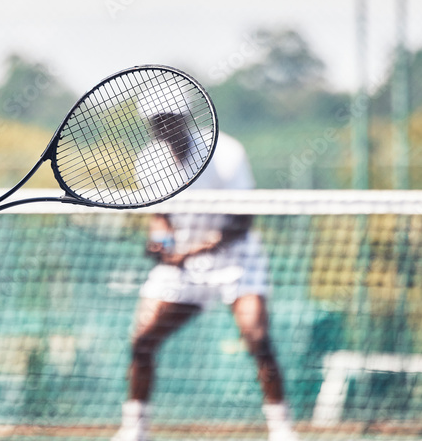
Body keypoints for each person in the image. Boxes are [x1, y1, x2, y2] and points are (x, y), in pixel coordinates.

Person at [113, 100, 298, 441]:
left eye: (168, 118)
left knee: (257, 338)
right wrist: (162, 243)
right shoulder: (149, 159)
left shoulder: (226, 152)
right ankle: (134, 429)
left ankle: (281, 429)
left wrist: (193, 249)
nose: (162, 127)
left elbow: (243, 221)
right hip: (184, 265)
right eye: (156, 121)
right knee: (142, 341)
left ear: (184, 117)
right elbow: (160, 218)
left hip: (237, 260)